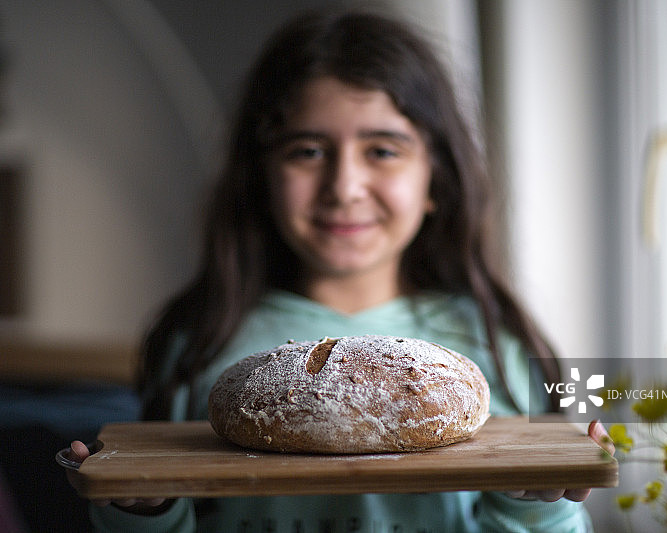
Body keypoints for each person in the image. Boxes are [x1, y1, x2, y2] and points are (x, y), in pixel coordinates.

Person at [68, 8, 614, 532]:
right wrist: (138, 511)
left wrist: (536, 508)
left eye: (382, 151)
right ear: (260, 178)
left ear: (436, 180)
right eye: (308, 151)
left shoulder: (496, 347)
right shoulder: (200, 341)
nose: (344, 187)